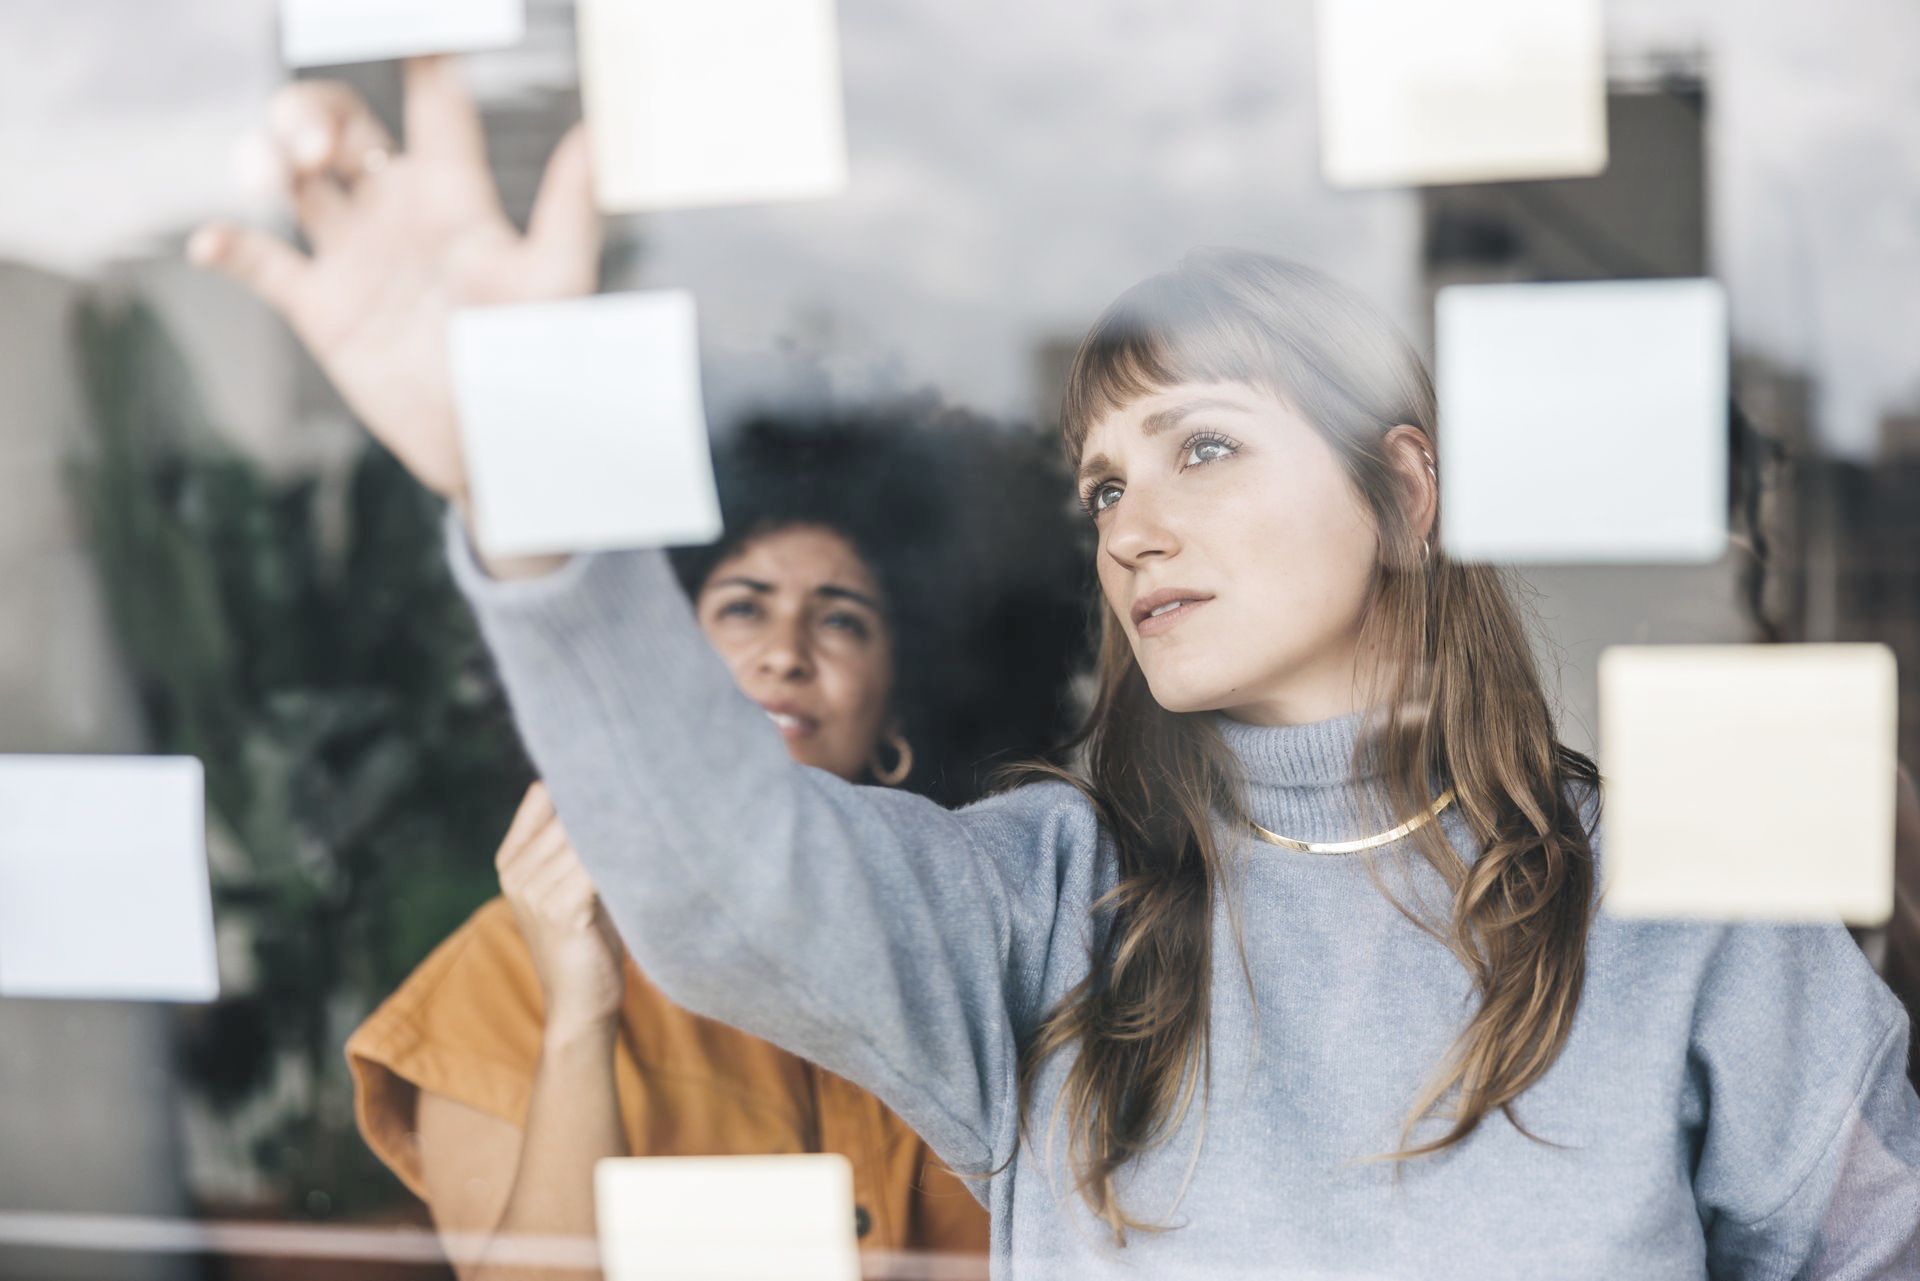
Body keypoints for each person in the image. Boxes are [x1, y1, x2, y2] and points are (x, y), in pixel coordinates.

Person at [193, 57, 1920, 1278]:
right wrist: (523, 494)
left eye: (1204, 450)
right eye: (1104, 482)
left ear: (1404, 490)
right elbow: (722, 873)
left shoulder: (1680, 911)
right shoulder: (1043, 905)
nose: (1134, 528)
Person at [342, 406, 1090, 1280]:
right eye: (743, 607)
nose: (785, 651)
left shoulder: (996, 949)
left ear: (898, 713)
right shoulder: (501, 977)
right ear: (660, 672)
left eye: (841, 619)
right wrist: (580, 1018)